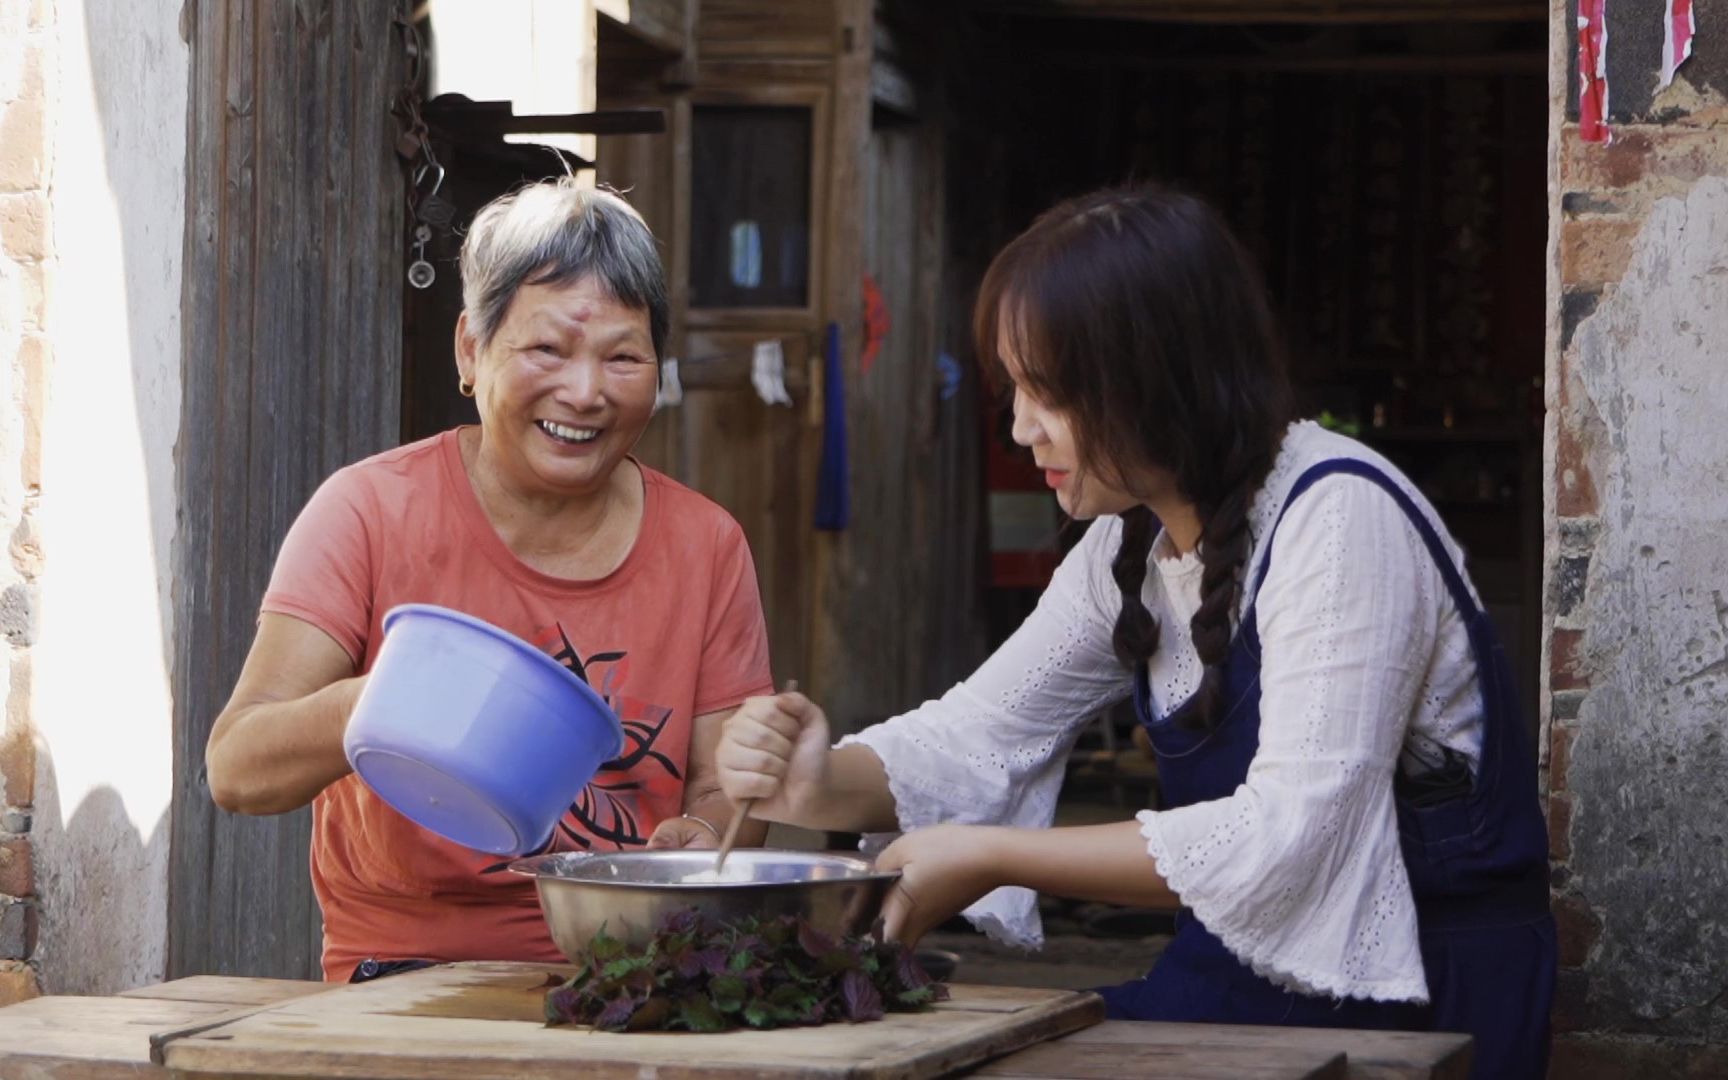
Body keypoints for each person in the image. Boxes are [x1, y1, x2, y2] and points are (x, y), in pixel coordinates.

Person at [716, 185, 1555, 1077]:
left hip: (1420, 992)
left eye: (1051, 393)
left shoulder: (1338, 516)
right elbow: (980, 733)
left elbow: (1292, 835)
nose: (1018, 428)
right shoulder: (1126, 544)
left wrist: (996, 856)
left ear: (1161, 379)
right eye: (1015, 389)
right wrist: (818, 780)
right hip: (1245, 978)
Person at [206, 180, 775, 981]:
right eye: (547, 350)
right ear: (471, 350)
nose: (585, 392)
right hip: (406, 976)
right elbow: (237, 768)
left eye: (623, 357)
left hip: (639, 972)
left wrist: (705, 839)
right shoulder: (371, 510)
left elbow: (726, 785)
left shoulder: (707, 544)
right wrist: (377, 703)